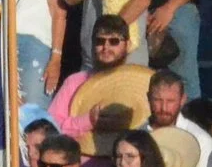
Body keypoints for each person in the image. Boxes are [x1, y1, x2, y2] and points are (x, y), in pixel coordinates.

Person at [48, 14, 153, 158]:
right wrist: (88, 120)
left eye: (114, 41)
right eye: (100, 41)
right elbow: (52, 128)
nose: (106, 47)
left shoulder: (144, 85)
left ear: (127, 45)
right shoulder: (74, 82)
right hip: (82, 165)